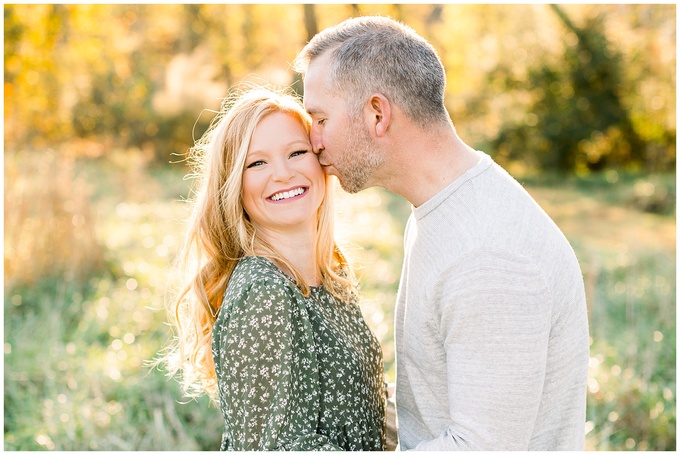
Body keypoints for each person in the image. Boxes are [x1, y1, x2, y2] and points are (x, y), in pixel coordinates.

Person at [294, 16, 590, 451]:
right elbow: (433, 408)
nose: (313, 141)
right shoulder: (446, 206)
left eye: (320, 118)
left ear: (377, 113)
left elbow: (481, 447)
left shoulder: (488, 255)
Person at [160, 87, 387, 450]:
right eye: (257, 163)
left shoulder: (331, 274)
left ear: (321, 160)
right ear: (234, 184)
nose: (282, 174)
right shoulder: (264, 293)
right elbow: (282, 447)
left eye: (297, 153)